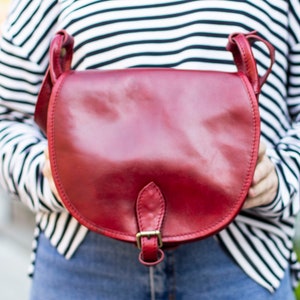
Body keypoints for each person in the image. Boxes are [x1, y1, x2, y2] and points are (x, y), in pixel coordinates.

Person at [0, 1, 299, 299]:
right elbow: (6, 113)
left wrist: (280, 179)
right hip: (84, 254)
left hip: (243, 253)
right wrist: (47, 175)